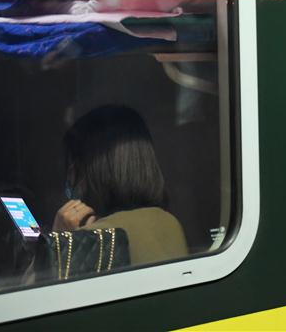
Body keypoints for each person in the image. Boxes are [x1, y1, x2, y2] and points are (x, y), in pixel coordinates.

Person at [53, 105, 188, 266]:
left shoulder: (97, 239)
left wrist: (58, 242)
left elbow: (42, 279)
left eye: (74, 167)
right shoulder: (170, 223)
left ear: (91, 170)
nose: (70, 177)